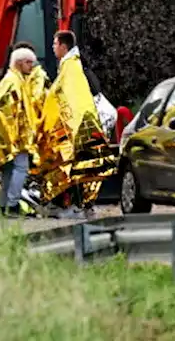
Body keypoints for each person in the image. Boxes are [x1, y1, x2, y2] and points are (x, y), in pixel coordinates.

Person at [38, 31, 117, 214]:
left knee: (76, 167)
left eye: (54, 44)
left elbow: (67, 97)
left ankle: (75, 206)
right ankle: (81, 206)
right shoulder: (73, 66)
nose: (52, 47)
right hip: (82, 126)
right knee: (83, 167)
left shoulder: (71, 68)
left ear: (63, 46)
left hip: (78, 128)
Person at [0, 47, 41, 216]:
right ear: (19, 63)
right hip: (16, 137)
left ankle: (4, 204)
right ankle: (12, 204)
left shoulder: (13, 80)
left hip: (12, 136)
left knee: (10, 169)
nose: (31, 66)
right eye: (29, 62)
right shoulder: (14, 82)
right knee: (21, 168)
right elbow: (4, 110)